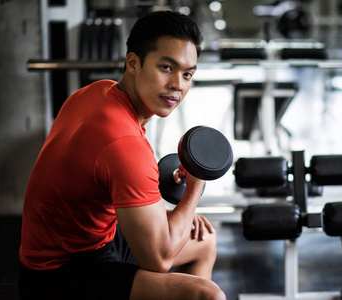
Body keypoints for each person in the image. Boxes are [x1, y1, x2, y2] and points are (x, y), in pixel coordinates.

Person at [18, 10, 226, 300]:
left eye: (187, 74)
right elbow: (159, 259)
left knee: (204, 240)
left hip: (88, 239)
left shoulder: (97, 91)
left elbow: (104, 195)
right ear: (133, 63)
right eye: (167, 67)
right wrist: (195, 187)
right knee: (207, 295)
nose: (178, 84)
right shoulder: (124, 144)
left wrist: (173, 216)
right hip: (60, 273)